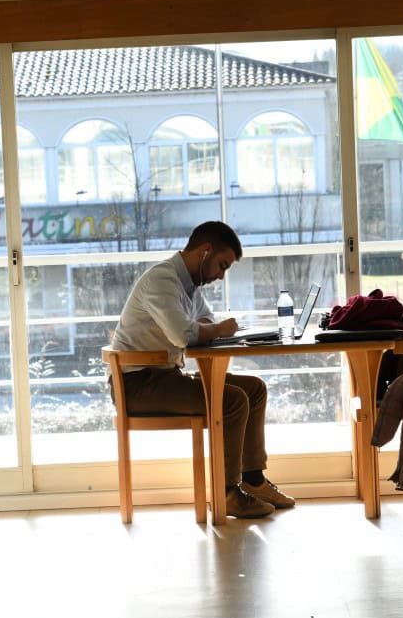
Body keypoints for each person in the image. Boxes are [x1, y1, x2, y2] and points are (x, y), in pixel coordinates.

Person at [111, 221, 297, 519]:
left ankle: (254, 480)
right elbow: (183, 335)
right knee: (233, 400)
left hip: (164, 377)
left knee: (254, 389)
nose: (221, 276)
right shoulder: (162, 279)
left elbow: (205, 324)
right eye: (221, 266)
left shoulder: (189, 286)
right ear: (205, 251)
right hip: (138, 384)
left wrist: (216, 329)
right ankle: (228, 494)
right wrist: (218, 328)